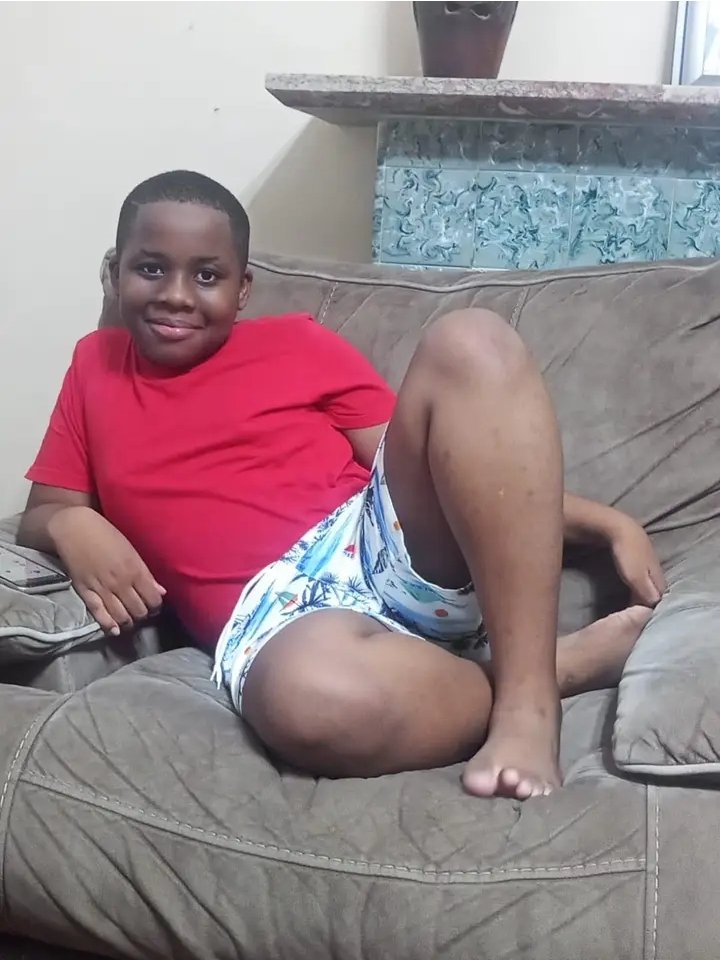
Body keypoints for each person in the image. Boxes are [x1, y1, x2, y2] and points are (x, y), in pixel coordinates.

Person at [18, 170, 665, 801]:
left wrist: (609, 523)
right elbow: (45, 509)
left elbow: (455, 462)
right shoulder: (94, 367)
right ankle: (561, 665)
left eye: (207, 275)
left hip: (373, 541)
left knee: (473, 341)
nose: (177, 295)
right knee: (313, 700)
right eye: (151, 268)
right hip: (277, 620)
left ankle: (530, 705)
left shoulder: (296, 345)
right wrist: (75, 523)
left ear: (242, 289)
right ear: (115, 273)